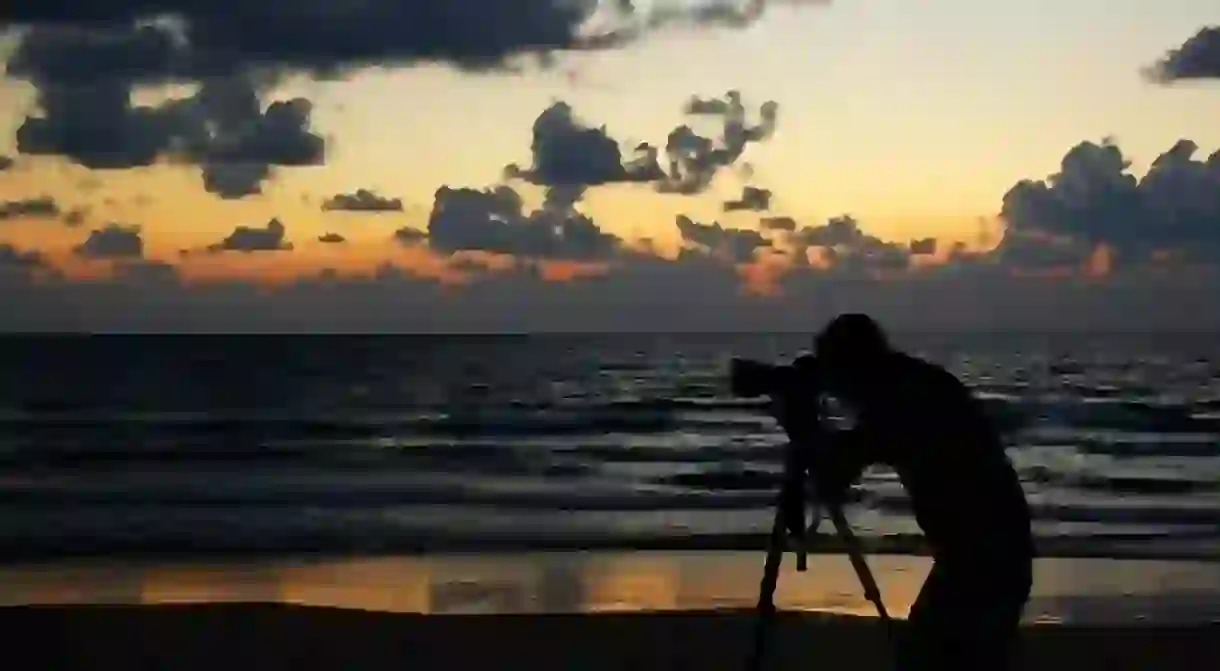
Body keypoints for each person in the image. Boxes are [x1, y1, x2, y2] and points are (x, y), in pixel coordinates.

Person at [774, 313, 1033, 671]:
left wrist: (801, 426)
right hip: (987, 550)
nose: (837, 391)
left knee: (927, 658)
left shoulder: (898, 399)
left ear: (853, 365)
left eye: (836, 376)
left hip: (982, 558)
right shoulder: (913, 383)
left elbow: (834, 476)